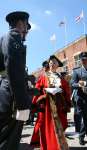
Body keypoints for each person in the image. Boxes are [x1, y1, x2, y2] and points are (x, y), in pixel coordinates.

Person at [0, 11, 32, 150]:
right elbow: (14, 71)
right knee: (9, 141)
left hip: (7, 90)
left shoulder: (5, 37)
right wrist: (22, 103)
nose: (27, 31)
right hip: (12, 95)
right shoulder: (13, 36)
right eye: (26, 25)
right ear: (21, 23)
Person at [31, 55, 71, 150]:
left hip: (59, 106)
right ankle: (50, 147)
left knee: (60, 126)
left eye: (54, 62)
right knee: (48, 128)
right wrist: (43, 95)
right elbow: (37, 91)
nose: (52, 64)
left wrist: (61, 92)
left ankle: (59, 146)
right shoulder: (43, 77)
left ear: (58, 65)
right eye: (51, 62)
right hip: (47, 107)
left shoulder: (61, 78)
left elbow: (66, 90)